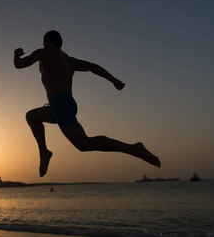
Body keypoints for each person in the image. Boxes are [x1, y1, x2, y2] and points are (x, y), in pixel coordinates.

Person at [14, 30, 161, 177]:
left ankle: (134, 149)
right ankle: (44, 152)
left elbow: (19, 65)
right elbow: (92, 66)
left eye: (44, 41)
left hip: (61, 105)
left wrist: (16, 54)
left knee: (84, 144)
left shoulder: (43, 52)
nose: (43, 44)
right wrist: (113, 80)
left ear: (48, 41)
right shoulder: (69, 61)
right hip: (61, 105)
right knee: (31, 116)